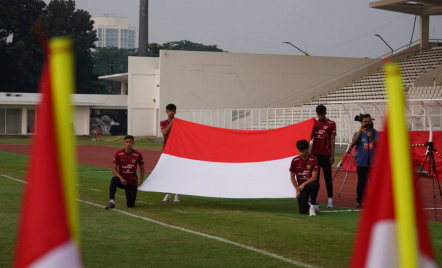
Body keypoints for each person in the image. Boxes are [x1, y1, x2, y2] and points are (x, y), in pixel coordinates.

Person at [105, 135, 145, 209]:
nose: (128, 144)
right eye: (126, 142)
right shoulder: (119, 154)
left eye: (130, 142)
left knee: (131, 205)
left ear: (133, 143)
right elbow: (114, 169)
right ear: (124, 143)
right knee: (114, 180)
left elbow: (142, 169)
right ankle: (111, 202)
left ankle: (131, 198)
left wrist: (141, 183)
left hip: (132, 182)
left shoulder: (137, 155)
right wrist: (121, 178)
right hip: (122, 180)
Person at [311, 104, 336, 209]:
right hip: (315, 155)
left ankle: (330, 200)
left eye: (321, 115)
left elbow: (332, 140)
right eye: (318, 115)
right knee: (315, 179)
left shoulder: (331, 124)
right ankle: (314, 200)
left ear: (325, 113)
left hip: (326, 154)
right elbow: (310, 137)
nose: (320, 117)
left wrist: (332, 155)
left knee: (327, 178)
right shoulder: (314, 124)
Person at [351, 114, 379, 208]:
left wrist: (371, 137)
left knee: (374, 182)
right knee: (361, 182)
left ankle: (374, 199)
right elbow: (354, 142)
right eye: (365, 122)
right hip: (362, 162)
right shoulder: (358, 133)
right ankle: (359, 200)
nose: (367, 123)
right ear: (361, 123)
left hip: (373, 163)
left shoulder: (375, 133)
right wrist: (360, 130)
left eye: (368, 121)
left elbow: (380, 145)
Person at [289, 139, 320, 217]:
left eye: (303, 151)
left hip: (310, 183)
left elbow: (314, 177)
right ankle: (309, 205)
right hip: (302, 188)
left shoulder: (314, 159)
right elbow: (292, 177)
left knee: (314, 185)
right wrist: (298, 189)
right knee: (302, 211)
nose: (301, 153)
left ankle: (313, 205)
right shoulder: (295, 160)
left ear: (307, 149)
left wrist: (303, 184)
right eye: (299, 151)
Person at [160, 103, 180, 203]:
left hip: (176, 151)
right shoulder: (163, 122)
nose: (171, 112)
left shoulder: (179, 123)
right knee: (167, 173)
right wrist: (172, 123)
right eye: (169, 111)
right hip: (167, 151)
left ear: (175, 112)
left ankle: (177, 194)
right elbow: (165, 132)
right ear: (166, 112)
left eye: (173, 111)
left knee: (177, 172)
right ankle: (168, 194)